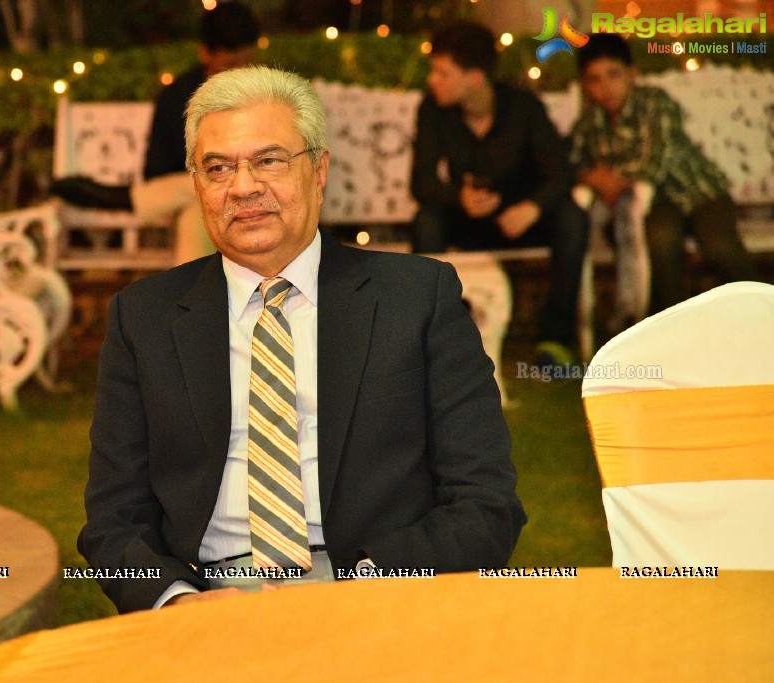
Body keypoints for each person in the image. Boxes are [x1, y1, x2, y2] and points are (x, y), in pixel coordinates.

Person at [78, 65, 526, 614]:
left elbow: (486, 505)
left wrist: (362, 584)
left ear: (319, 170)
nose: (243, 187)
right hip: (207, 605)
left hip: (378, 593)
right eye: (218, 168)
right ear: (197, 186)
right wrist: (174, 603)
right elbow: (113, 520)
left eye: (268, 160)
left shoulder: (416, 300)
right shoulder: (144, 318)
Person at [409, 21, 589, 368]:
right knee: (426, 221)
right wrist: (457, 198)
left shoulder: (523, 107)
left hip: (519, 220)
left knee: (571, 218)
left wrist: (532, 208)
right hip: (468, 220)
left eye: (443, 73)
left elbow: (561, 172)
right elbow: (421, 183)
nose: (433, 80)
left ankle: (554, 339)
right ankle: (435, 338)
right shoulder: (433, 109)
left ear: (474, 77)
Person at [50, 1, 259, 264]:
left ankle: (125, 199)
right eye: (230, 63)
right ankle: (200, 299)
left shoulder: (264, 94)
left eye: (248, 62)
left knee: (201, 196)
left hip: (252, 190)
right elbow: (157, 170)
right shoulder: (179, 97)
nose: (241, 72)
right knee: (200, 199)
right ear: (206, 54)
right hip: (197, 195)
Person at [570, 33, 760, 314]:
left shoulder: (654, 103)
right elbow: (572, 161)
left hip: (700, 193)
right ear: (585, 84)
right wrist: (589, 177)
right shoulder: (591, 121)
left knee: (720, 248)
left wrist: (610, 179)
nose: (605, 87)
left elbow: (651, 163)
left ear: (632, 73)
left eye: (613, 75)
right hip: (657, 204)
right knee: (659, 243)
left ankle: (762, 313)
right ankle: (669, 330)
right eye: (594, 79)